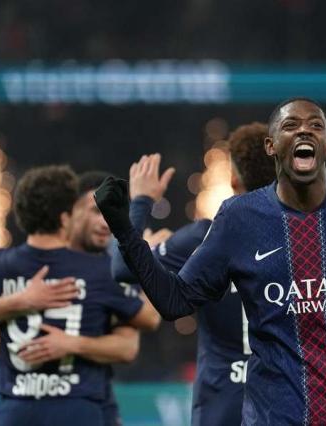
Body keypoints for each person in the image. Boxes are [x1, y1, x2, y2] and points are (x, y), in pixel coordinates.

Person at [95, 98, 326, 424]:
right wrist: (125, 231)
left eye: (316, 126)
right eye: (290, 125)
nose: (304, 130)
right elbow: (175, 301)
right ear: (272, 145)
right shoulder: (238, 219)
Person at [0, 165, 158, 426]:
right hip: (76, 407)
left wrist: (18, 301)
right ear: (66, 217)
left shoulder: (2, 264)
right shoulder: (101, 271)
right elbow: (149, 319)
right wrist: (149, 258)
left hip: (15, 409)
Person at [110, 122, 275, 425]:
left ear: (233, 179)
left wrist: (141, 202)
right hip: (283, 402)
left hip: (221, 406)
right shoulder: (304, 239)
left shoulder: (203, 238)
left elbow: (122, 267)